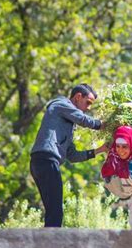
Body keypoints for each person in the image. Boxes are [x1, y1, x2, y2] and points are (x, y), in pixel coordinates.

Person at [30, 83, 108, 227]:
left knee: (53, 210)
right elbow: (83, 120)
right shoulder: (60, 105)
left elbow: (71, 156)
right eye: (88, 103)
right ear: (78, 97)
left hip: (42, 162)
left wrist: (99, 150)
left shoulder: (67, 123)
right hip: (46, 159)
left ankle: (45, 243)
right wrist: (105, 124)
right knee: (56, 212)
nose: (89, 108)